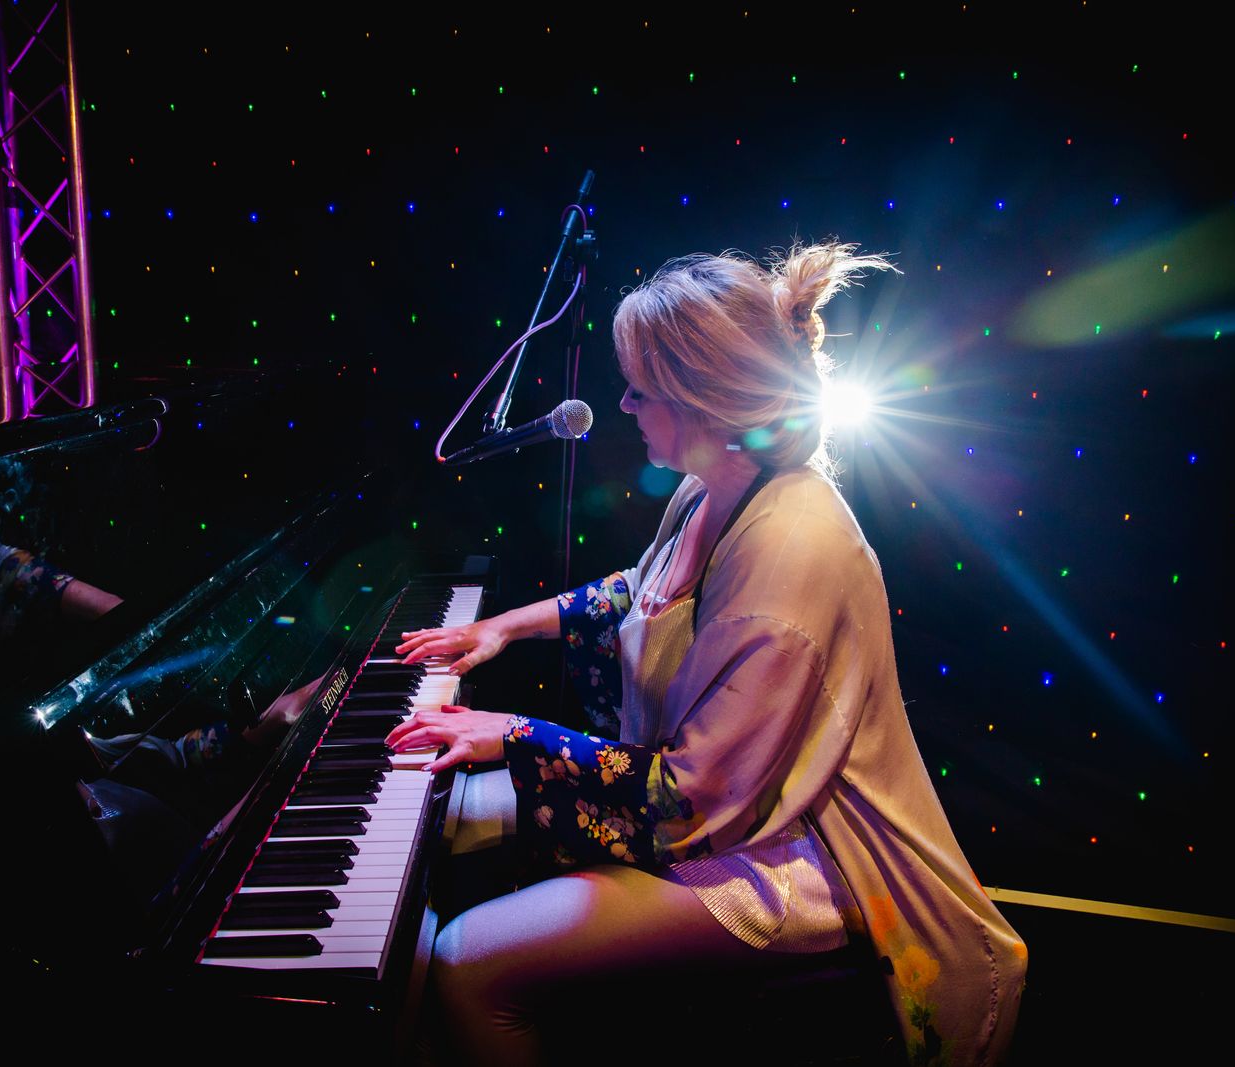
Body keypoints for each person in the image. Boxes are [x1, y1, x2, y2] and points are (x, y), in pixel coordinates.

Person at [387, 241, 1027, 1066]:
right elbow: (644, 590)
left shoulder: (792, 548)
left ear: (702, 402)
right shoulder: (716, 482)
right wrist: (503, 628)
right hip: (729, 805)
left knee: (467, 960)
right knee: (451, 812)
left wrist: (513, 733)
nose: (623, 404)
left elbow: (691, 799)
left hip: (790, 852)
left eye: (641, 390)